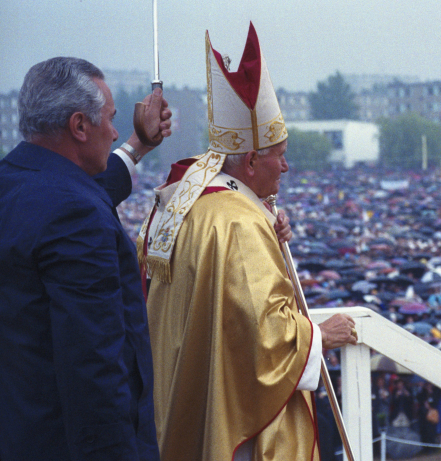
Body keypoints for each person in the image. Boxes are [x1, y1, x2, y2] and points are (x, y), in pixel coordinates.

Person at [141, 23, 357, 461]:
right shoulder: (237, 223)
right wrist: (319, 336)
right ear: (253, 159)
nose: (287, 167)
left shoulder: (185, 195)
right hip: (243, 429)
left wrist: (270, 238)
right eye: (280, 154)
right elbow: (263, 337)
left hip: (182, 395)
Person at [0, 57, 172, 460]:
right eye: (110, 120)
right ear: (79, 126)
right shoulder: (74, 215)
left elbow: (75, 191)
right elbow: (94, 368)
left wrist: (140, 143)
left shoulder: (16, 183)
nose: (114, 133)